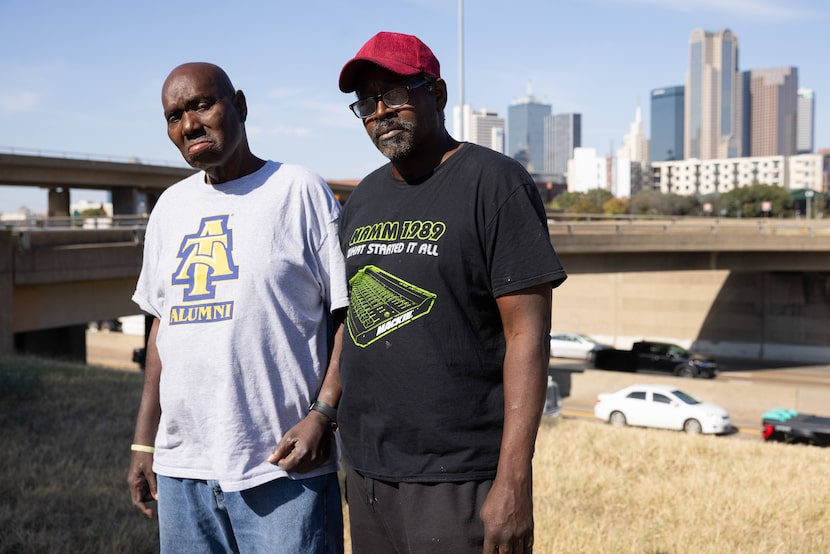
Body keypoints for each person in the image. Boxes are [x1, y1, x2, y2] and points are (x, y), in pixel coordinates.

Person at [335, 32, 567, 553]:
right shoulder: (363, 198)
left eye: (393, 93)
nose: (379, 112)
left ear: (435, 92)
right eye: (367, 102)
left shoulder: (496, 183)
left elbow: (528, 335)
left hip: (459, 480)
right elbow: (349, 322)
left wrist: (513, 483)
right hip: (370, 474)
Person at [126, 62, 348, 553]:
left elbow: (347, 317)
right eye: (173, 116)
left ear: (240, 106)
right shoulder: (168, 208)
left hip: (283, 466)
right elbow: (163, 331)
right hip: (183, 472)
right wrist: (146, 443)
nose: (188, 125)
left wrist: (324, 414)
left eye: (202, 105)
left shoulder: (299, 191)